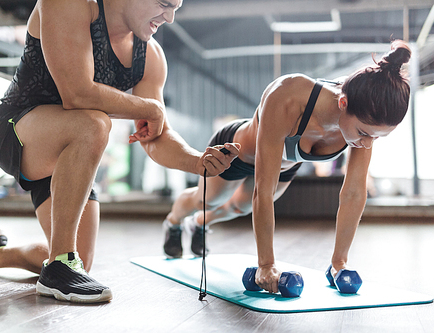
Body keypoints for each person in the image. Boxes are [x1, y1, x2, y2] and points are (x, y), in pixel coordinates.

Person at [0, 0, 239, 303]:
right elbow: (77, 93)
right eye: (164, 4)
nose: (171, 17)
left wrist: (198, 161)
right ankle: (59, 267)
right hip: (14, 128)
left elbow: (154, 133)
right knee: (94, 124)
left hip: (71, 151)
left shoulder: (150, 56)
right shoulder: (69, 4)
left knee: (78, 257)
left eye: (176, 7)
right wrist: (150, 107)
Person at [163, 40, 411, 293]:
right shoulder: (289, 95)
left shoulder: (367, 112)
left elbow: (354, 192)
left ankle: (198, 224)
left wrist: (339, 262)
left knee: (239, 207)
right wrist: (266, 264)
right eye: (363, 133)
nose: (367, 144)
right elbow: (264, 188)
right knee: (209, 199)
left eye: (377, 137)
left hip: (285, 165)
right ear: (343, 104)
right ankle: (173, 222)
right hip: (237, 154)